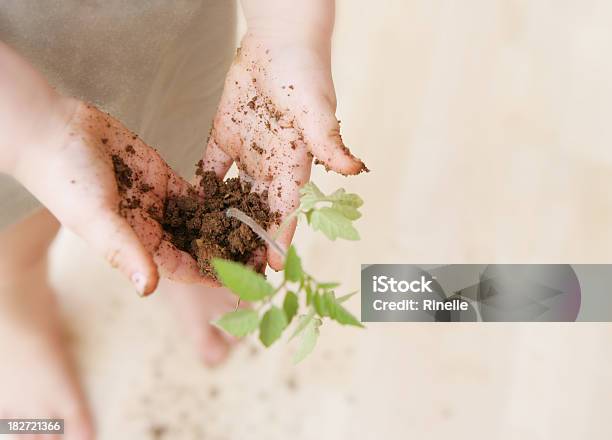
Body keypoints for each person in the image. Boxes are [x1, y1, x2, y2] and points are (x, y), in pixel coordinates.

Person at [0, 0, 365, 437]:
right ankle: (17, 310)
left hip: (173, 32)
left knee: (184, 144)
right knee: (13, 238)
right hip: (13, 107)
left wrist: (286, 30)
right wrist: (34, 134)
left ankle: (184, 240)